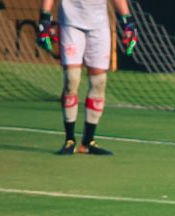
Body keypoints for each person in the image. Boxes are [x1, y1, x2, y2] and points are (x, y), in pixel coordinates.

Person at [36, 0, 138, 155]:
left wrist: (128, 21)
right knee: (71, 79)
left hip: (99, 24)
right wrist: (45, 17)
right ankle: (69, 140)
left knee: (99, 82)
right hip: (70, 22)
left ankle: (88, 142)